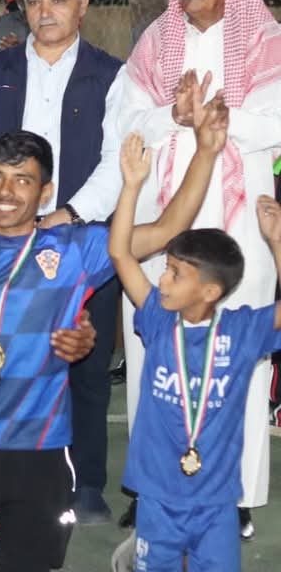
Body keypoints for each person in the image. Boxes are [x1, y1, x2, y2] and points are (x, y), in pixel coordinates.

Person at [0, 117, 223, 572]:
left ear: (45, 192)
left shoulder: (74, 249)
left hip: (40, 448)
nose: (5, 191)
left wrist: (206, 152)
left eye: (22, 180)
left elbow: (169, 228)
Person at [117, 0, 281, 539]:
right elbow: (124, 121)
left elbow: (277, 120)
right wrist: (173, 115)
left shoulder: (266, 42)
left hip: (241, 227)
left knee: (242, 359)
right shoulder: (156, 42)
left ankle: (235, 494)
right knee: (151, 352)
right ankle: (150, 486)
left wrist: (219, 119)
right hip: (166, 223)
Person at [0, 0, 125, 523]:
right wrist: (6, 211)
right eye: (35, 1)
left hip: (81, 239)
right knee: (4, 354)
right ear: (22, 8)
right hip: (7, 238)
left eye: (58, 0)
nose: (46, 12)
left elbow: (116, 159)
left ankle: (88, 482)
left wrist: (71, 214)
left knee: (87, 361)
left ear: (82, 7)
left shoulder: (112, 74)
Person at [108, 130, 281, 571]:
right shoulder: (157, 319)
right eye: (166, 269)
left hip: (217, 503)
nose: (162, 280)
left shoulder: (241, 332)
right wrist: (131, 187)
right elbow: (121, 254)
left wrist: (277, 242)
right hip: (157, 498)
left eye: (175, 274)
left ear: (210, 291)